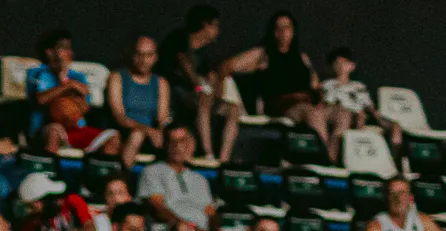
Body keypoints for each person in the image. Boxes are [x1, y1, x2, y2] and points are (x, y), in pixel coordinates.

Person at [223, 11, 324, 149]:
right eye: (278, 28)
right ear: (273, 32)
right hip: (282, 106)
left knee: (341, 114)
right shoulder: (262, 55)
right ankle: (326, 159)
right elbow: (227, 66)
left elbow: (316, 86)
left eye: (287, 28)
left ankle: (336, 161)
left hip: (307, 103)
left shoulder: (302, 58)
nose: (283, 32)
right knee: (313, 113)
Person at [157, 3, 223, 159]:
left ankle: (224, 158)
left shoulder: (207, 52)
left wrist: (212, 87)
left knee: (231, 110)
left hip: (197, 96)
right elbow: (183, 63)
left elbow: (211, 77)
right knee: (203, 99)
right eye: (215, 26)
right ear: (205, 25)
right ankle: (208, 153)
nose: (218, 31)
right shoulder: (179, 38)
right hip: (173, 92)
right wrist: (200, 87)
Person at [138, 125, 218, 231]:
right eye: (172, 141)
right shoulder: (152, 171)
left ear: (190, 144)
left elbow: (210, 212)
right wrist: (193, 228)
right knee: (182, 229)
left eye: (182, 141)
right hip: (169, 228)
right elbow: (158, 208)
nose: (177, 146)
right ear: (165, 144)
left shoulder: (200, 179)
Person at [106, 34, 171, 169]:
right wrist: (147, 130)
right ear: (132, 55)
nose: (143, 60)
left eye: (148, 55)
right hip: (124, 131)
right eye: (139, 54)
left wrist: (162, 133)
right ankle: (124, 177)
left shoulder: (161, 83)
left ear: (155, 57)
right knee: (137, 135)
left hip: (151, 137)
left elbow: (162, 118)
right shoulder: (117, 77)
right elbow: (120, 116)